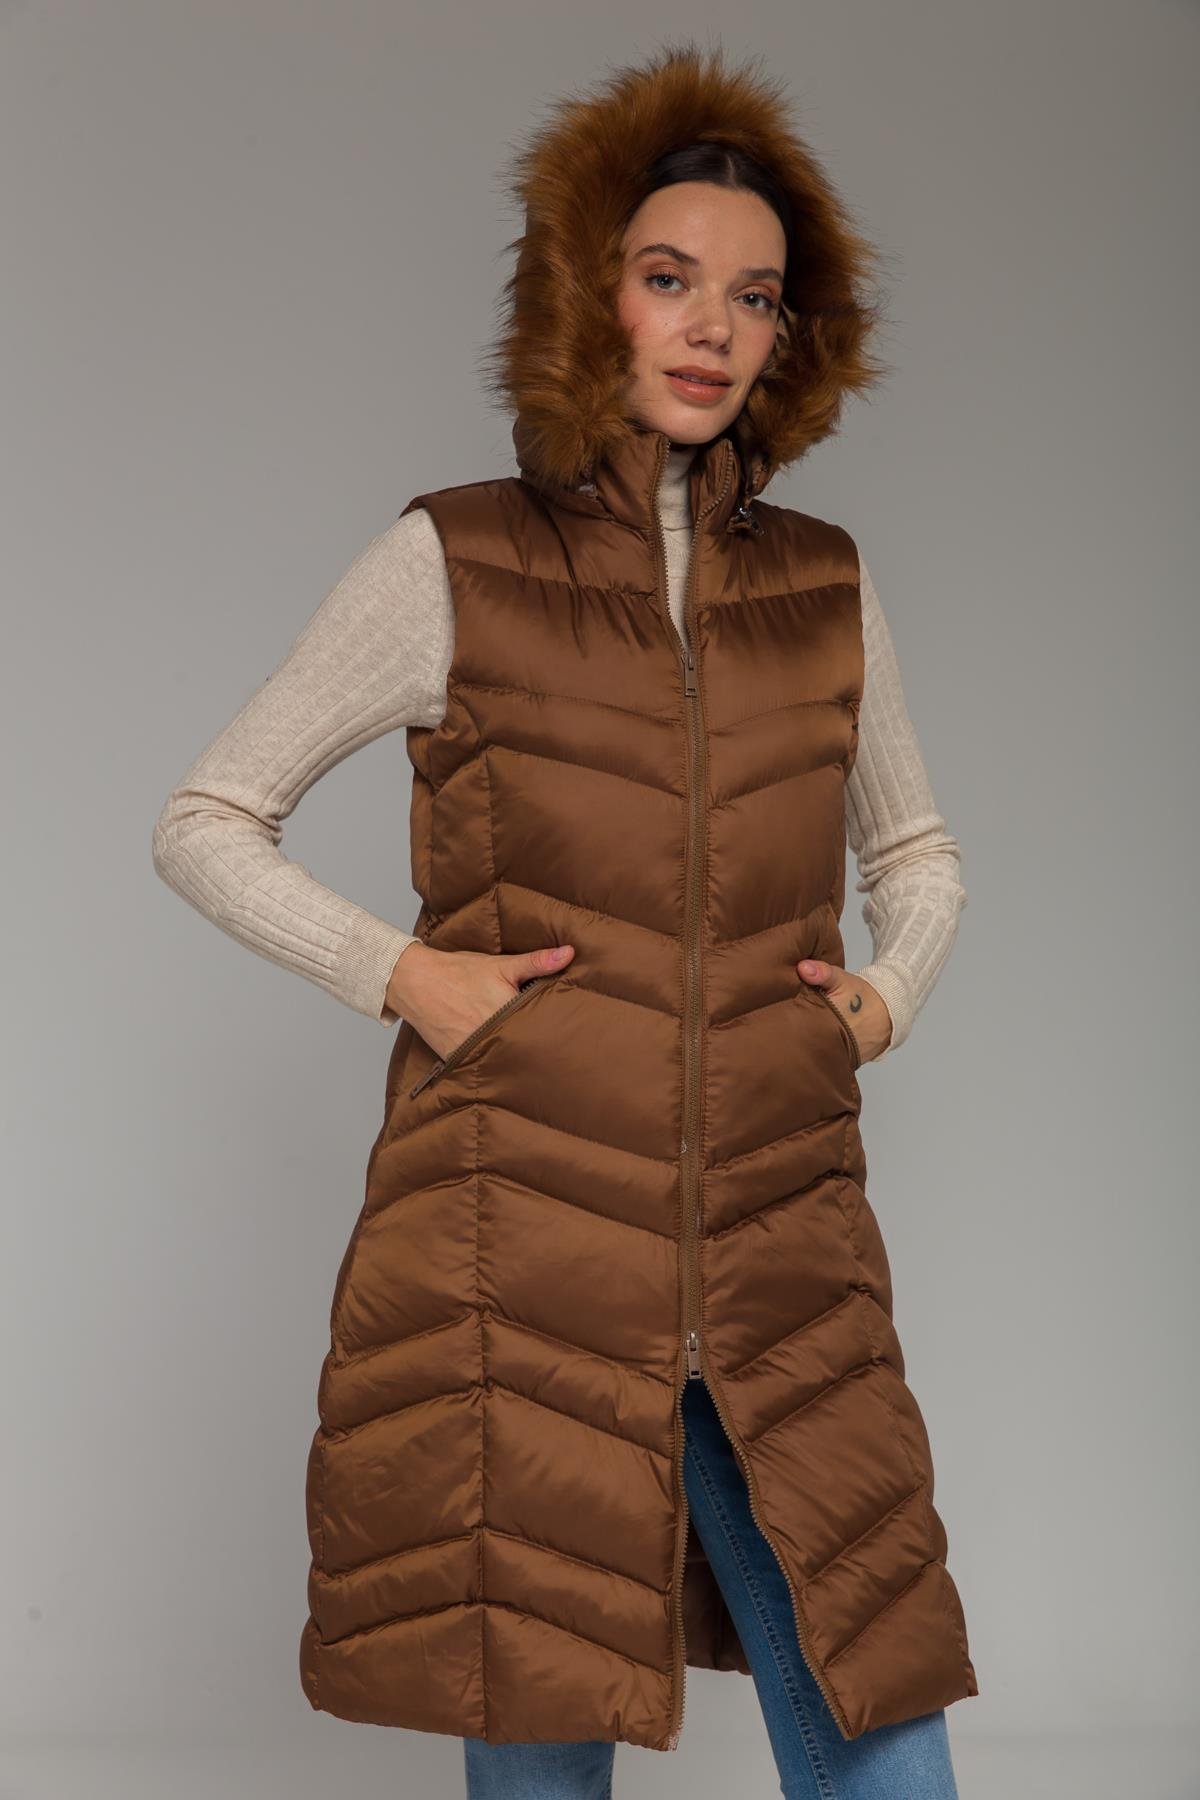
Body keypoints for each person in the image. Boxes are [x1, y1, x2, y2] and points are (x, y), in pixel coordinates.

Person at [153, 41, 977, 1800]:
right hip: (509, 1242)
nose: (711, 328)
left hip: (777, 1241)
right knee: (538, 1718)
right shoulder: (454, 561)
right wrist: (404, 975)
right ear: (585, 296)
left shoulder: (824, 587)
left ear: (792, 334)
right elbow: (207, 819)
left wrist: (878, 1002)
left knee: (874, 1704)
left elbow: (920, 856)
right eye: (669, 278)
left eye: (753, 296)